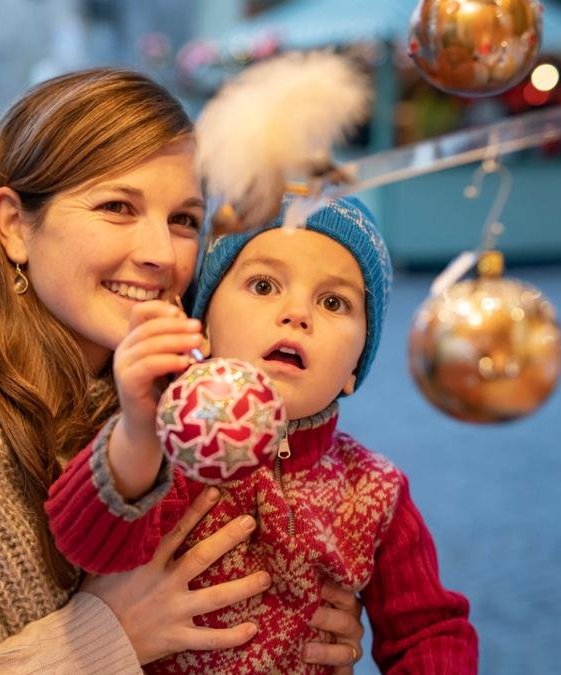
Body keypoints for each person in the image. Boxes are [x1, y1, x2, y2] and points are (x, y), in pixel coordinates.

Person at [0, 69, 367, 674]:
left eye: (184, 219)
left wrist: (297, 619)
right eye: (117, 207)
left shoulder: (175, 393)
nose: (161, 253)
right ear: (13, 224)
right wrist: (108, 636)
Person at [46, 197, 478, 672]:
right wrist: (136, 433)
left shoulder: (374, 488)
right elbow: (88, 546)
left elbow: (430, 629)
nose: (296, 314)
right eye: (264, 285)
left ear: (355, 367)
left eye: (333, 302)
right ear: (203, 328)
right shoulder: (169, 451)